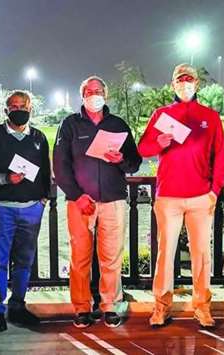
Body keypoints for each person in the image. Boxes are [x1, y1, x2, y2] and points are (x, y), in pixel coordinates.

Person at [137, 63, 224, 328]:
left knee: (201, 255)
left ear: (197, 84)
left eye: (189, 79)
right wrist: (158, 143)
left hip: (201, 197)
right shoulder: (161, 114)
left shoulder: (210, 116)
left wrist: (214, 191)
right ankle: (161, 306)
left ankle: (202, 307)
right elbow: (143, 148)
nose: (184, 83)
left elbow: (219, 156)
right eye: (179, 80)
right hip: (169, 198)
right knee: (165, 253)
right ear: (173, 84)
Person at [53, 75, 142, 328]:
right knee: (79, 258)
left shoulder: (118, 124)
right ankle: (81, 307)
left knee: (111, 257)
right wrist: (76, 195)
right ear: (82, 95)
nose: (95, 95)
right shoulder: (70, 125)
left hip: (113, 200)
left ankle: (110, 305)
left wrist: (120, 160)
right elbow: (60, 165)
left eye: (99, 90)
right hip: (80, 201)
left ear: (106, 94)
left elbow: (134, 162)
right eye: (90, 91)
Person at [0, 90, 51, 332]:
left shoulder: (38, 137)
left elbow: (46, 170)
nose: (19, 109)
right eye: (14, 105)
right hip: (2, 209)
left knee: (24, 261)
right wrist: (5, 179)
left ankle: (18, 305)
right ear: (6, 110)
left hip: (31, 209)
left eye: (24, 106)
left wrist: (43, 199)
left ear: (30, 110)